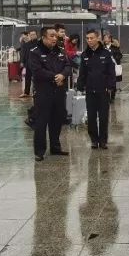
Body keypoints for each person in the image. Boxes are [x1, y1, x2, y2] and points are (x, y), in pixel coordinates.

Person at [26, 26, 72, 161]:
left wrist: (63, 75)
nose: (54, 38)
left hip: (59, 92)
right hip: (43, 93)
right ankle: (39, 151)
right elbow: (37, 71)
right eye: (51, 36)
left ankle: (55, 147)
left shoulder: (61, 51)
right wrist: (55, 77)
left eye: (55, 36)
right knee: (41, 122)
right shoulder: (35, 52)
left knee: (57, 121)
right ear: (44, 37)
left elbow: (68, 66)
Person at [76, 29, 116, 149]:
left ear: (98, 38)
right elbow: (82, 73)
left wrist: (110, 87)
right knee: (91, 117)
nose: (89, 40)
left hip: (103, 90)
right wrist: (80, 86)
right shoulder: (85, 55)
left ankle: (103, 140)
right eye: (87, 38)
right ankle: (94, 140)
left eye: (91, 38)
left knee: (103, 117)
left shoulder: (106, 53)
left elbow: (111, 72)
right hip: (90, 90)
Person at [103, 32, 123, 101]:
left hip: (113, 67)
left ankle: (112, 96)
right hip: (105, 67)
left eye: (106, 38)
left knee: (113, 82)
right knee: (105, 82)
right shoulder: (102, 48)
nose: (105, 39)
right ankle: (107, 96)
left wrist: (115, 58)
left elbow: (120, 55)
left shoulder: (115, 48)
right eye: (104, 38)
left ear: (110, 39)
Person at [19, 30, 36, 97]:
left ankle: (35, 92)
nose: (33, 36)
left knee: (35, 78)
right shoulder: (27, 44)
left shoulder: (39, 44)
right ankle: (26, 92)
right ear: (29, 35)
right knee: (27, 78)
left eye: (34, 34)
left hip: (36, 64)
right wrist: (22, 62)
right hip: (28, 63)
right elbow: (24, 54)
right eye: (31, 35)